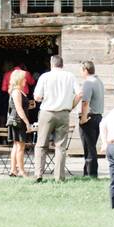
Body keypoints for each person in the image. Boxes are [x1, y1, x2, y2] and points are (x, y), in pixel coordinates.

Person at [33, 54, 82, 182]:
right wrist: (71, 106)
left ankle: (38, 174)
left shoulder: (45, 76)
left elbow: (37, 97)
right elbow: (79, 94)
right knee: (60, 146)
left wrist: (44, 98)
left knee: (41, 145)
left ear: (51, 63)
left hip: (47, 112)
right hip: (64, 113)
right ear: (62, 64)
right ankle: (59, 177)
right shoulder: (69, 76)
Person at [79, 60, 105, 178]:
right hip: (98, 117)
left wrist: (83, 118)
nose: (80, 72)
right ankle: (87, 173)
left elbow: (85, 102)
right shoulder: (99, 81)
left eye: (81, 70)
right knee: (91, 146)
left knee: (89, 147)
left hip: (89, 117)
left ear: (85, 70)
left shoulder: (88, 82)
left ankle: (91, 174)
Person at [6, 69, 32, 177]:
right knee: (20, 147)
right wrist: (27, 122)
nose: (25, 80)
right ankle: (21, 170)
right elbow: (19, 109)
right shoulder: (16, 91)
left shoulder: (19, 91)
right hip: (18, 121)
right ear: (19, 79)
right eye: (23, 78)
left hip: (17, 121)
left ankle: (13, 170)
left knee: (16, 146)